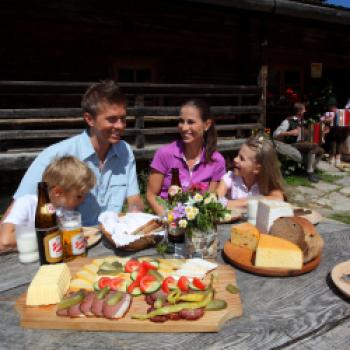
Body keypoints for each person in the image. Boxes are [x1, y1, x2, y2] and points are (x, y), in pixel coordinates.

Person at [0, 80, 144, 229]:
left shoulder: (124, 151)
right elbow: (9, 222)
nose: (121, 126)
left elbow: (134, 199)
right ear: (89, 119)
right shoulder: (55, 156)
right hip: (68, 242)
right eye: (112, 119)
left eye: (123, 119)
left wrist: (136, 216)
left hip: (114, 239)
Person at [146, 99, 226, 215]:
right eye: (181, 121)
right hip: (167, 222)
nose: (184, 128)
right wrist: (169, 219)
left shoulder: (216, 161)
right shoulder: (164, 154)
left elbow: (210, 200)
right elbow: (151, 195)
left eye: (190, 122)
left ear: (207, 125)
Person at [0, 156, 96, 251]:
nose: (83, 201)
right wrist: (53, 235)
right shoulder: (27, 204)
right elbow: (5, 240)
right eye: (79, 196)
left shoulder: (64, 211)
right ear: (58, 192)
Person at [216, 136, 285, 209]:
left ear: (257, 169)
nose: (235, 159)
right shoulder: (230, 177)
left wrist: (244, 203)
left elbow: (278, 199)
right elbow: (216, 200)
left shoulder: (265, 182)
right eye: (237, 155)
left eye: (242, 158)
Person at [273, 102, 324, 183]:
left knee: (320, 151)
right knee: (313, 146)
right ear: (299, 112)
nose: (305, 111)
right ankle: (309, 173)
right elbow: (275, 134)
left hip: (303, 144)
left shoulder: (303, 122)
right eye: (304, 110)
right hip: (292, 144)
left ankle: (310, 170)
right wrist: (290, 133)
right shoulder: (288, 121)